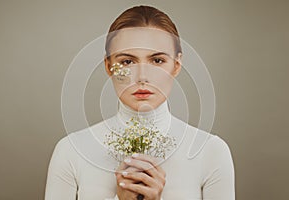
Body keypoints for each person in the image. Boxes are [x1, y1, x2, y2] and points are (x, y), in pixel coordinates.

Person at [44, 5, 235, 200]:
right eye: (127, 61)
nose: (142, 77)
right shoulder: (71, 150)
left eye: (157, 61)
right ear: (109, 67)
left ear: (176, 65)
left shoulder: (211, 152)